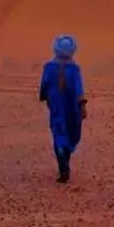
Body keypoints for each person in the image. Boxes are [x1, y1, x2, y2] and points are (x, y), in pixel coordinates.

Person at [38, 34, 87, 183]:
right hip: (72, 107)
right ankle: (65, 158)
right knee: (72, 133)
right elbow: (79, 88)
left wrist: (44, 97)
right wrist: (82, 106)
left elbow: (44, 85)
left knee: (59, 132)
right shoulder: (74, 69)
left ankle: (62, 163)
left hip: (56, 106)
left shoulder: (49, 67)